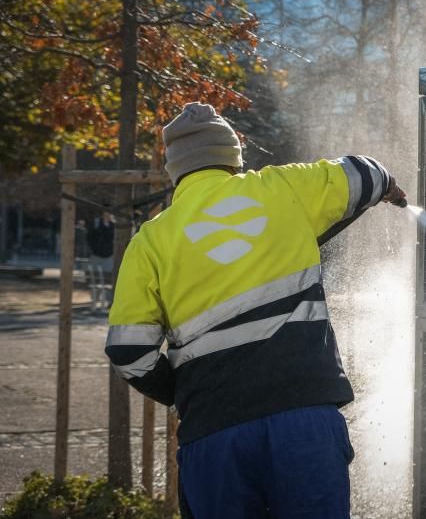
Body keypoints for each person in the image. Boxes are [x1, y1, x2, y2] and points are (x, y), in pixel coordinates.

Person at [104, 102, 406, 518]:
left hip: (214, 436)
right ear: (234, 156)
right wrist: (388, 185)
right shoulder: (282, 188)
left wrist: (185, 391)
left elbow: (128, 353)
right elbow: (364, 173)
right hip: (304, 422)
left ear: (175, 170)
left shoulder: (150, 242)